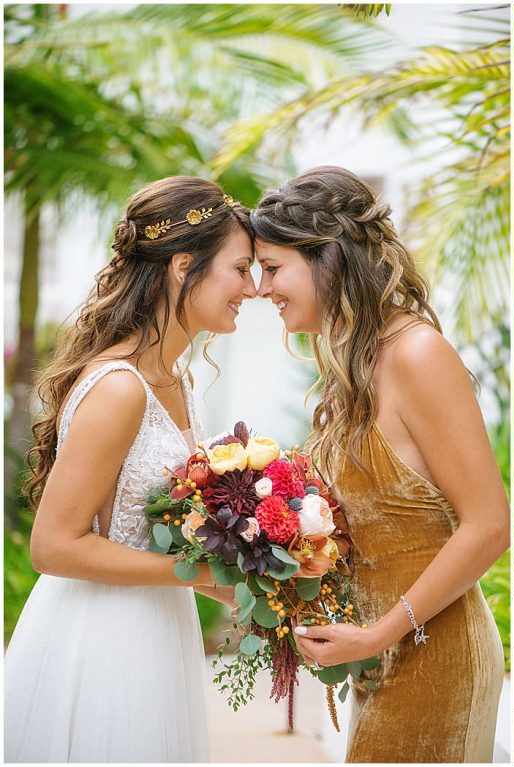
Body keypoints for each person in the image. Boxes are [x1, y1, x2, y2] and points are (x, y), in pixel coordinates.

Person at [249, 166, 508, 762]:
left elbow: (489, 525)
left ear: (328, 261)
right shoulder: (349, 366)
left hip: (434, 653)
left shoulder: (416, 354)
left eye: (272, 267)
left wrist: (380, 633)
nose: (262, 288)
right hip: (376, 654)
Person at [4, 177, 252, 761]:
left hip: (159, 623)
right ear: (183, 266)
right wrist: (198, 577)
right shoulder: (120, 389)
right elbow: (53, 546)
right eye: (240, 269)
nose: (252, 287)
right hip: (103, 637)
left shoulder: (180, 380)